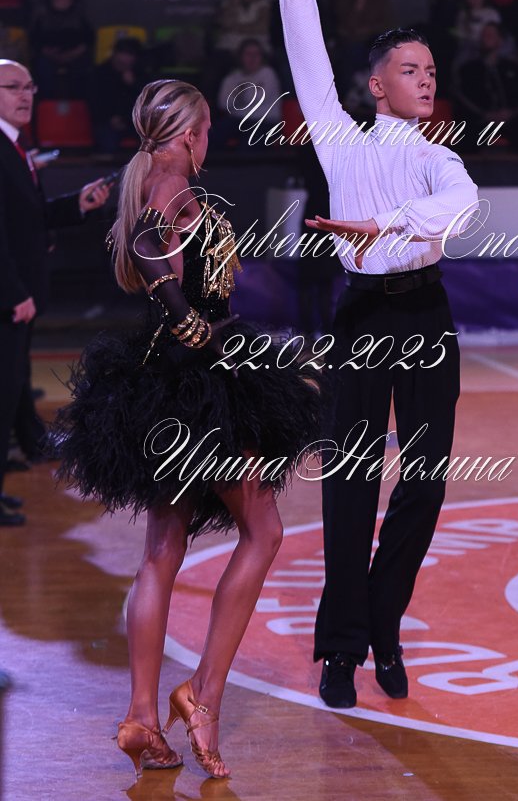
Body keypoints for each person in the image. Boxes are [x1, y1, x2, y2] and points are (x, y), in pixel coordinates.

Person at [51, 79, 323, 778]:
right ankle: (204, 695)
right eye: (206, 131)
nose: (210, 143)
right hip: (201, 383)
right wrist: (189, 316)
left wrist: (182, 312)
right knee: (263, 530)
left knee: (161, 551)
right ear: (187, 135)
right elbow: (151, 248)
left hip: (158, 383)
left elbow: (149, 246)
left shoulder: (148, 182)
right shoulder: (172, 186)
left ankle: (142, 716)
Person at [260, 0, 479, 709]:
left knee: (423, 485)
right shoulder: (342, 141)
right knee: (349, 485)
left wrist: (382, 224)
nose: (425, 79)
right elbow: (307, 58)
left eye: (431, 70)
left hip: (425, 314)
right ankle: (342, 647)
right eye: (409, 69)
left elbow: (461, 206)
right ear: (377, 85)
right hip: (361, 316)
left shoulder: (437, 157)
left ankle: (384, 624)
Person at [0, 59, 110, 526]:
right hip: (9, 297)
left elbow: (27, 218)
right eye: (13, 87)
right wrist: (11, 292)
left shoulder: (15, 146)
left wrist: (75, 206)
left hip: (19, 294)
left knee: (11, 387)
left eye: (30, 86)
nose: (26, 95)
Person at [453, 22, 518, 153]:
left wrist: (511, 113)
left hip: (511, 118)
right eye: (484, 35)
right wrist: (485, 114)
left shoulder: (513, 68)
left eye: (491, 35)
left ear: (500, 40)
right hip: (481, 120)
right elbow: (461, 96)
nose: (487, 38)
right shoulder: (469, 69)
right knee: (465, 139)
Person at [30, 0, 94, 99]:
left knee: (83, 73)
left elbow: (89, 36)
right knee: (41, 71)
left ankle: (80, 108)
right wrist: (48, 53)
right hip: (48, 55)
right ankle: (45, 107)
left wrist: (74, 53)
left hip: (77, 54)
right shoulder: (40, 7)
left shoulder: (80, 6)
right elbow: (34, 37)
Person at [90, 37, 146, 155]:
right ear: (115, 54)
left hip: (133, 121)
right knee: (107, 142)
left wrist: (133, 84)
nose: (126, 58)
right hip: (107, 121)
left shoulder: (139, 74)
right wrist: (110, 118)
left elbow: (146, 101)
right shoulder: (100, 73)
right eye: (123, 53)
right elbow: (95, 101)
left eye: (130, 55)